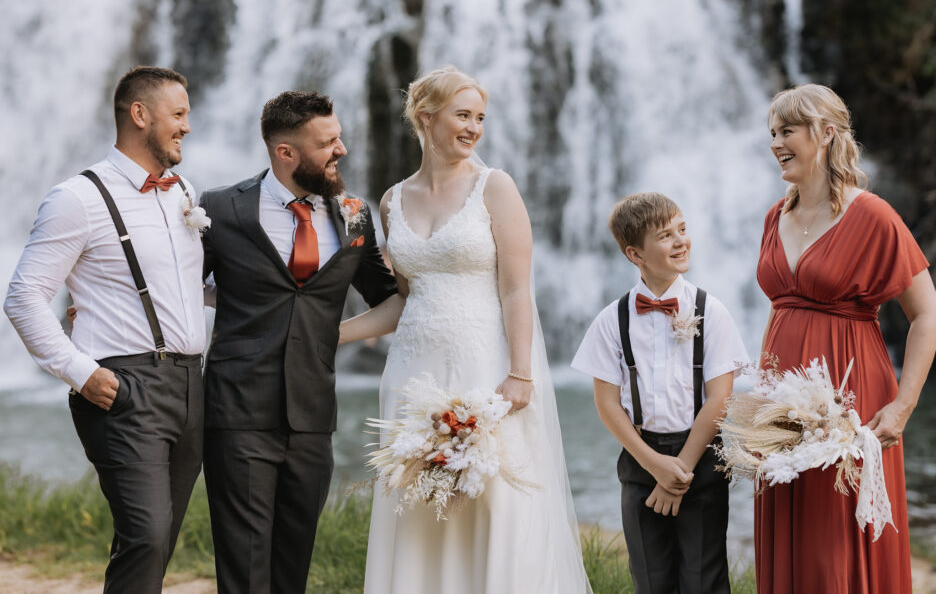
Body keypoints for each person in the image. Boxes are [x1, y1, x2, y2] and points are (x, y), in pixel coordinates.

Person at [338, 66, 592, 593]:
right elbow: (404, 301)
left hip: (487, 369)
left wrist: (521, 373)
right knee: (418, 508)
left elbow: (517, 290)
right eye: (463, 115)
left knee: (494, 503)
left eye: (480, 117)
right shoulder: (391, 200)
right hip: (412, 371)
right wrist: (330, 334)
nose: (474, 127)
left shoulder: (494, 187)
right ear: (426, 118)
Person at [4, 66, 205, 593]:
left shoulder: (182, 189)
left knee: (158, 540)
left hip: (190, 384)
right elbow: (23, 296)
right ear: (140, 115)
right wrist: (80, 372)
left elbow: (182, 287)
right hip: (123, 386)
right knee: (146, 535)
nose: (188, 126)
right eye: (179, 114)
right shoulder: (76, 198)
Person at [198, 90, 399, 594]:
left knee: (294, 562)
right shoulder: (220, 208)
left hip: (313, 413)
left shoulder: (355, 214)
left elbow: (389, 299)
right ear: (285, 153)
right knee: (244, 567)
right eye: (327, 142)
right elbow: (177, 285)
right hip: (237, 409)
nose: (343, 150)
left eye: (339, 136)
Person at [755, 84, 936, 593]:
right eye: (772, 133)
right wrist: (762, 400)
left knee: (836, 533)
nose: (775, 143)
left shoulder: (874, 216)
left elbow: (927, 314)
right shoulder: (776, 216)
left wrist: (903, 406)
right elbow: (779, 308)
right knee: (789, 519)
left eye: (787, 131)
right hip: (782, 407)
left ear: (826, 133)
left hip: (851, 397)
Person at [571, 193, 748, 593]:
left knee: (704, 578)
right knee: (651, 578)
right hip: (640, 464)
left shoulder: (711, 310)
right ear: (635, 253)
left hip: (700, 461)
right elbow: (607, 404)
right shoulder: (610, 321)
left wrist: (679, 471)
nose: (681, 241)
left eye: (682, 229)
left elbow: (720, 399)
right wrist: (655, 467)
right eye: (666, 236)